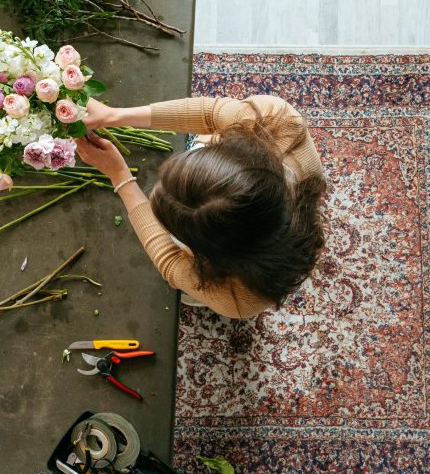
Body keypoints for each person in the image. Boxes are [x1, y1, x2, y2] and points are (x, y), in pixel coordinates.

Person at [75, 95, 326, 319]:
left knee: (196, 289)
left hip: (224, 264)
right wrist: (115, 115)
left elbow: (171, 261)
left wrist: (120, 176)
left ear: (208, 251)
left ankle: (197, 291)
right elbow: (210, 113)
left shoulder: (240, 299)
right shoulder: (274, 118)